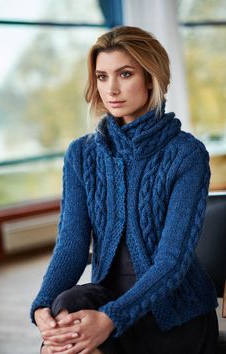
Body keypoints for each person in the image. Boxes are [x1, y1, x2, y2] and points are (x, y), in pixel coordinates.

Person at [30, 26, 219, 354]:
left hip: (172, 313)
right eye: (102, 77)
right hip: (106, 299)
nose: (111, 89)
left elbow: (172, 261)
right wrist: (42, 306)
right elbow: (71, 246)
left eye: (125, 74)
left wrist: (112, 319)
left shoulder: (186, 154)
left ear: (150, 78)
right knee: (64, 308)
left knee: (70, 343)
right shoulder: (82, 154)